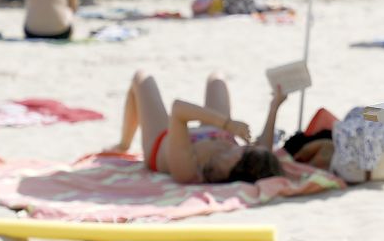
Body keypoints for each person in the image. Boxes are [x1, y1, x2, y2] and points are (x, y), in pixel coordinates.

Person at [109, 71, 285, 184]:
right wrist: (274, 106)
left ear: (236, 163)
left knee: (142, 78)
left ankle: (124, 144)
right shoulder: (238, 159)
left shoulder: (191, 171)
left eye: (246, 151)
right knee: (217, 78)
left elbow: (178, 109)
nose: (247, 147)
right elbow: (264, 148)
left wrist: (227, 124)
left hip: (162, 140)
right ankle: (123, 143)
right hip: (213, 131)